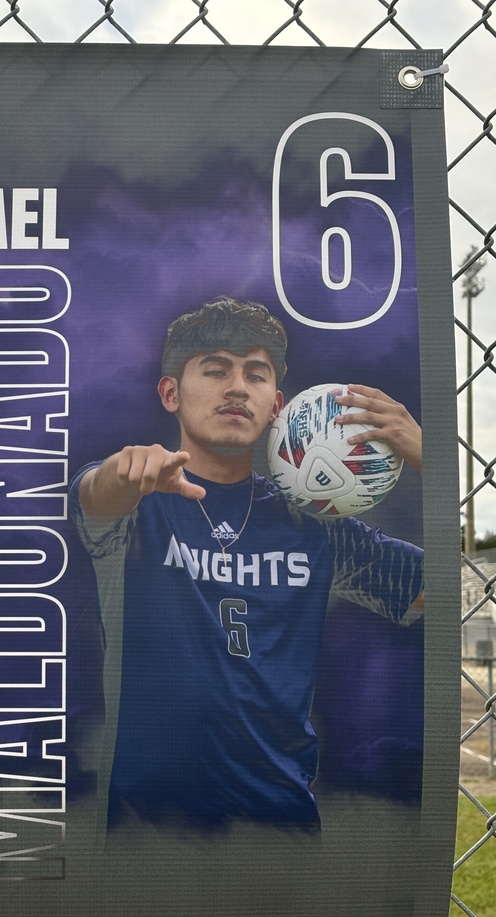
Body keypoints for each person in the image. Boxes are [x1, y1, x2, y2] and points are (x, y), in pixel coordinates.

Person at [70, 297, 423, 832]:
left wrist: (431, 458)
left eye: (255, 375)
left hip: (282, 830)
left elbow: (444, 589)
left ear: (277, 404)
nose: (237, 387)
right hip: (146, 834)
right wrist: (123, 473)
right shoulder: (138, 505)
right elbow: (98, 496)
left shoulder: (314, 527)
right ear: (170, 393)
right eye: (216, 370)